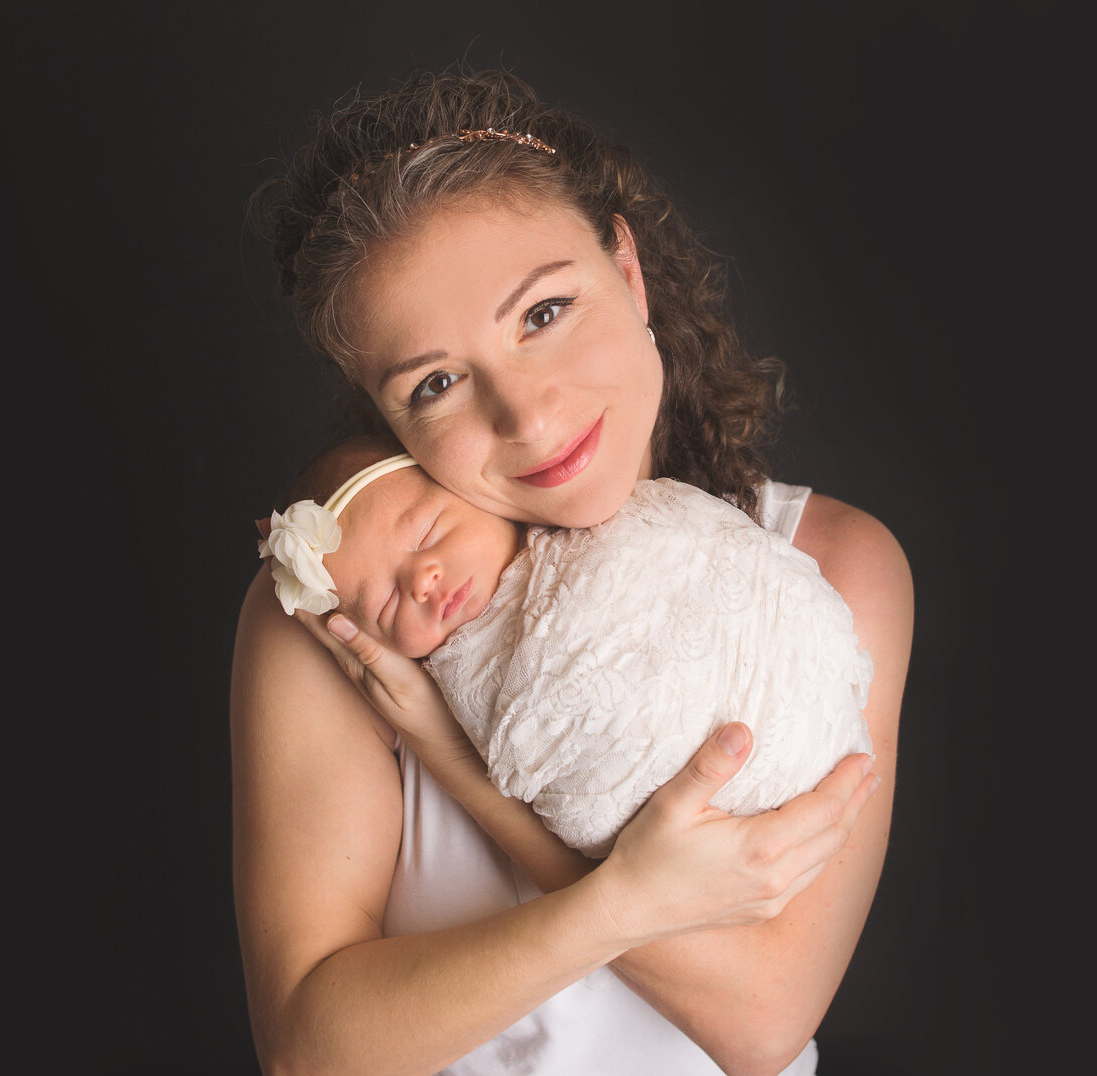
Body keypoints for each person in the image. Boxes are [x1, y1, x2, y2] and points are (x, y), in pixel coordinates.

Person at [232, 68, 913, 1076]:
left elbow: (762, 1019)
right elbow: (310, 1051)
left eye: (544, 311)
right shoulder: (352, 615)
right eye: (436, 382)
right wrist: (623, 897)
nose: (529, 416)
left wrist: (460, 762)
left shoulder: (830, 564)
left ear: (627, 271)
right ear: (389, 420)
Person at [257, 435, 874, 859]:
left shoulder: (616, 530)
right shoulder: (418, 676)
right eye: (387, 606)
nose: (421, 581)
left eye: (428, 532)